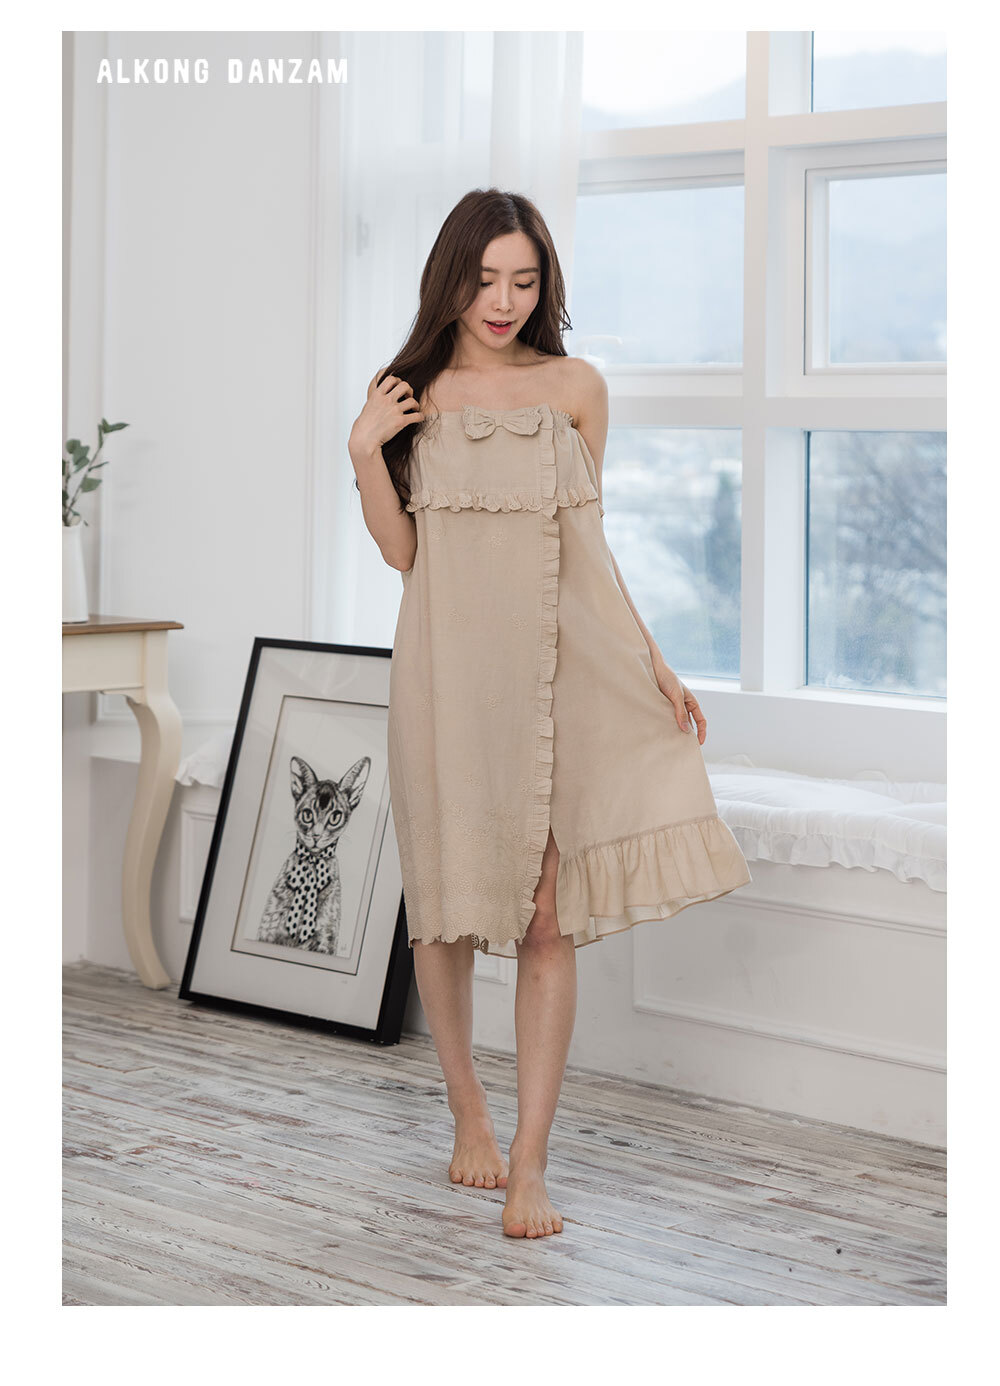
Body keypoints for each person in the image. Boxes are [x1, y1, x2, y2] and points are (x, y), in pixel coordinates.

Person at [348, 188, 752, 1240]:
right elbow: (401, 554)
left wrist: (655, 661)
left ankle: (531, 1159)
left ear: (546, 286)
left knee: (543, 916)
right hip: (444, 675)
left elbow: (588, 550)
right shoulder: (408, 394)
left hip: (557, 673)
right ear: (450, 279)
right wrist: (363, 451)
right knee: (444, 908)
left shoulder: (577, 388)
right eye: (485, 280)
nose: (504, 301)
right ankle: (467, 1116)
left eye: (524, 282)